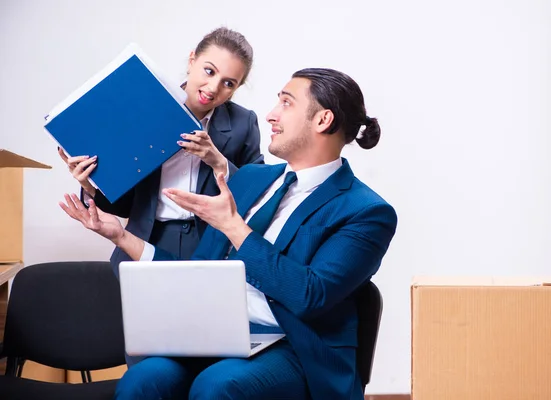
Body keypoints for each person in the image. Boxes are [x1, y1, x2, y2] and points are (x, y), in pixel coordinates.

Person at [60, 67, 397, 400]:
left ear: (323, 120)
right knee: (143, 380)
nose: (270, 115)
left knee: (219, 385)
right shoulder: (252, 178)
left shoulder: (365, 211)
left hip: (293, 346)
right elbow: (199, 276)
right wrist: (121, 236)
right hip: (214, 336)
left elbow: (310, 296)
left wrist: (233, 226)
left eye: (286, 103)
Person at [58, 27, 263, 278]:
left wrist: (218, 162)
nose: (213, 87)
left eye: (228, 83)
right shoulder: (144, 109)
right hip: (146, 238)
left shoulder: (244, 123)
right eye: (209, 71)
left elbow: (260, 198)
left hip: (213, 244)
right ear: (192, 60)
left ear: (236, 88)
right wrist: (91, 184)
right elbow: (124, 206)